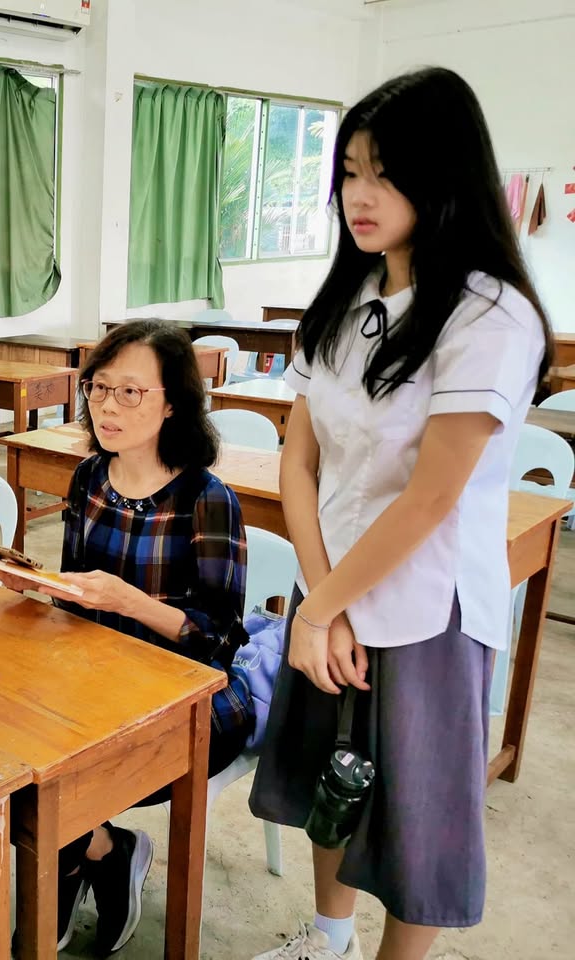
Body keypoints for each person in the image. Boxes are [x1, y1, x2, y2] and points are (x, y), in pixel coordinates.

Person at [247, 68, 552, 960]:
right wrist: (320, 600)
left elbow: (431, 498)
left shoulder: (491, 314)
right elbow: (298, 460)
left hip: (429, 606)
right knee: (323, 787)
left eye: (384, 172)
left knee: (415, 817)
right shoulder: (346, 301)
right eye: (347, 172)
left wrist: (321, 607)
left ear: (446, 176)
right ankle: (328, 939)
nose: (359, 196)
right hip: (332, 588)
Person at [0, 320, 251, 955]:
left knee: (51, 765)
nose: (108, 406)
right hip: (100, 677)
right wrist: (35, 586)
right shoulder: (90, 478)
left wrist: (132, 603)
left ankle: (78, 853)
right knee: (2, 738)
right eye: (98, 388)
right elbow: (81, 599)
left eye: (130, 392)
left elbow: (220, 642)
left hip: (190, 698)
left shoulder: (206, 498)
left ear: (172, 403)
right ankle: (102, 848)